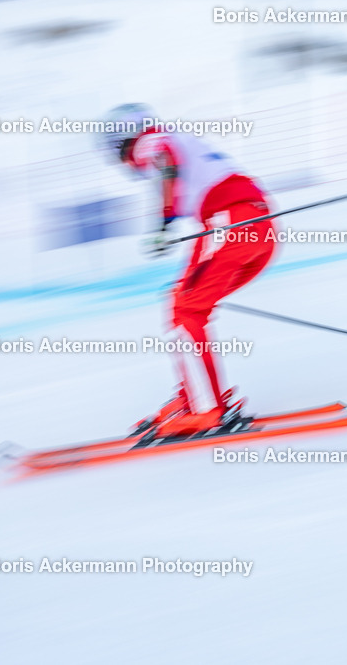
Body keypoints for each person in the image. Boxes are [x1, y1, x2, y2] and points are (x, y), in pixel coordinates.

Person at [101, 104, 276, 436]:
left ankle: (207, 410)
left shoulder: (151, 141)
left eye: (117, 150)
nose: (123, 161)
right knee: (183, 302)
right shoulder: (179, 138)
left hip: (229, 222)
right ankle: (193, 396)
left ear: (125, 139)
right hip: (256, 226)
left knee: (187, 309)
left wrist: (163, 223)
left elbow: (166, 160)